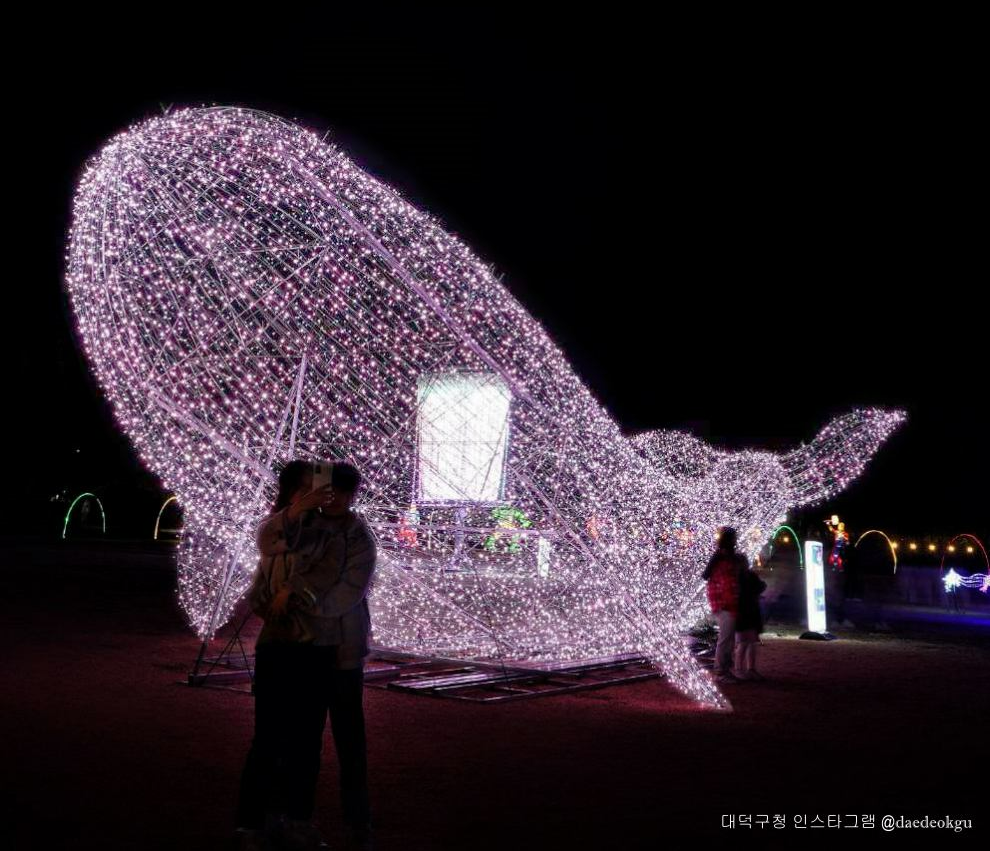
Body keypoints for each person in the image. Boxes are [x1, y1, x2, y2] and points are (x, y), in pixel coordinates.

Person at [234, 459, 377, 851]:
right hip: (289, 645)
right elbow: (266, 551)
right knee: (276, 738)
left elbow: (347, 587)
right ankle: (265, 821)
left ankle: (353, 821)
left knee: (336, 739)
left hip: (335, 650)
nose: (327, 497)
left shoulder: (354, 535)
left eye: (337, 491)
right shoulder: (296, 527)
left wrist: (295, 599)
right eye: (316, 489)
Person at [702, 527, 745, 683]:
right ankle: (720, 672)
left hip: (726, 602)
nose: (736, 540)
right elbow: (724, 581)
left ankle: (725, 670)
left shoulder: (725, 557)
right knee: (725, 638)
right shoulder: (722, 558)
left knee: (728, 638)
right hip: (724, 603)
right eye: (734, 537)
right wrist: (732, 602)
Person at [734, 560, 767, 680]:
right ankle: (739, 669)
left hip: (750, 614)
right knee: (744, 643)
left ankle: (750, 669)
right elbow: (761, 586)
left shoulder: (747, 576)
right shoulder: (740, 578)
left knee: (750, 642)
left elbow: (761, 586)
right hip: (743, 614)